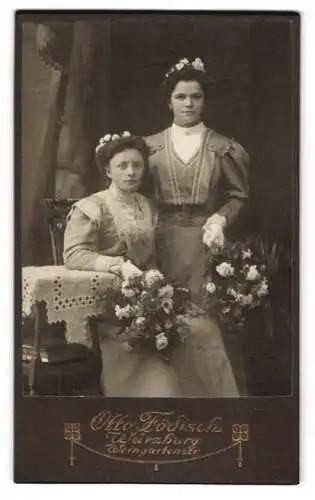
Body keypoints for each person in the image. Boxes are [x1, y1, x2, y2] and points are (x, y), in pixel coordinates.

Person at [63, 132, 239, 398]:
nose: (131, 172)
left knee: (203, 328)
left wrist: (157, 283)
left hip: (147, 298)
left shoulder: (147, 206)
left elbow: (152, 256)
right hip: (108, 304)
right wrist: (118, 265)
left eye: (137, 165)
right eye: (122, 166)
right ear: (107, 170)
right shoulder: (92, 207)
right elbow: (74, 254)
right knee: (148, 351)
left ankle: (208, 405)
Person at [145, 57, 250, 305]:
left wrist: (221, 219)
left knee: (202, 311)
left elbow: (238, 195)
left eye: (196, 96)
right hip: (160, 241)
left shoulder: (223, 147)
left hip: (205, 239)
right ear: (168, 102)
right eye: (180, 97)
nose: (188, 103)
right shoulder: (149, 147)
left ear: (204, 101)